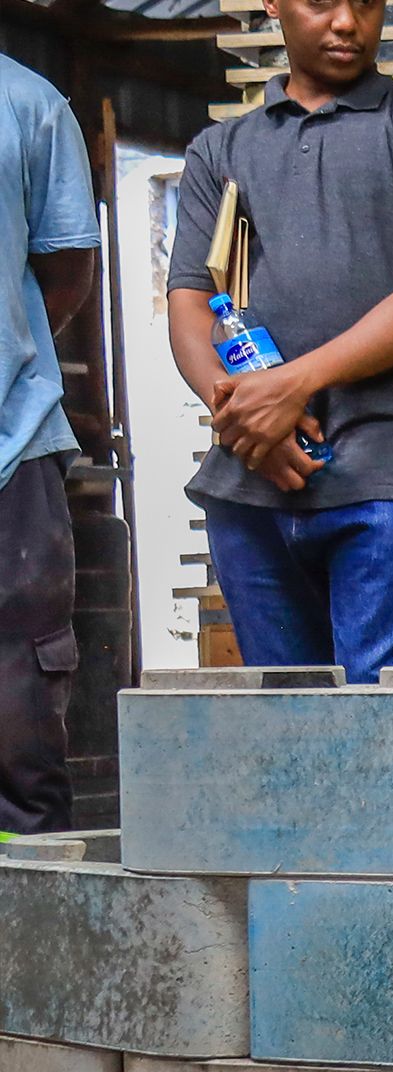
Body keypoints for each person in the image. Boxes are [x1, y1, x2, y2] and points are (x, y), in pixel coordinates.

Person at [167, 0, 393, 685]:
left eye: (367, 3)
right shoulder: (220, 151)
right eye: (321, 2)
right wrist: (245, 417)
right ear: (272, 4)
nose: (348, 22)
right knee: (291, 745)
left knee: (389, 737)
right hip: (252, 486)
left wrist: (292, 385)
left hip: (389, 485)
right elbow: (191, 304)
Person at [0, 55, 98, 838]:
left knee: (21, 729)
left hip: (12, 452)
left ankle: (29, 931)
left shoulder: (29, 104)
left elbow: (65, 270)